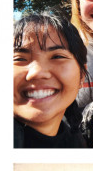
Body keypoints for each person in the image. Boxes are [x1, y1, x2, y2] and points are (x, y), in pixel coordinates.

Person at [14, 11, 88, 148]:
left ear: (82, 76)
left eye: (57, 57)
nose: (37, 73)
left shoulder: (77, 143)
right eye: (20, 59)